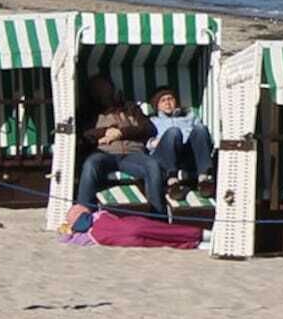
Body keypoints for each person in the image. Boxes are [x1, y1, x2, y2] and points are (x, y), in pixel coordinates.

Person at [72, 79, 158, 216]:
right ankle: (82, 215)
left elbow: (149, 129)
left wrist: (121, 132)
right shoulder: (87, 113)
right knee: (90, 164)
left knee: (153, 165)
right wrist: (105, 132)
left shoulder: (130, 108)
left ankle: (157, 217)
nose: (103, 93)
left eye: (106, 88)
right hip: (104, 154)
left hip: (133, 155)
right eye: (98, 90)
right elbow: (83, 135)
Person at [145, 84, 216, 218]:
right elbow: (146, 142)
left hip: (186, 155)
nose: (168, 103)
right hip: (164, 155)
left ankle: (204, 179)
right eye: (163, 100)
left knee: (200, 129)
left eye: (170, 99)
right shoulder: (152, 121)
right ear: (157, 105)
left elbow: (204, 139)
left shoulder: (189, 117)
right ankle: (172, 181)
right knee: (173, 132)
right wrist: (154, 142)